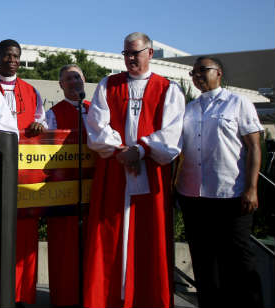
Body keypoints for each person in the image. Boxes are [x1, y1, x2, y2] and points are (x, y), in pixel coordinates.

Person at [84, 32, 184, 307]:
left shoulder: (167, 89)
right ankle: (108, 297)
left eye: (135, 53)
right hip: (115, 171)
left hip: (151, 170)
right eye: (126, 53)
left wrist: (140, 149)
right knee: (110, 235)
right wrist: (120, 150)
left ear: (150, 54)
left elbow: (173, 132)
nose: (130, 59)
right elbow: (96, 126)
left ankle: (147, 297)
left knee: (148, 237)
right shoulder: (108, 84)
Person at [175, 57, 264, 307]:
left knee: (239, 262)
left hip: (231, 197)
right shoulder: (189, 109)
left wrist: (252, 188)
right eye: (194, 72)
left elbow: (254, 147)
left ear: (219, 73)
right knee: (204, 264)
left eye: (203, 70)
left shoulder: (238, 103)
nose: (197, 75)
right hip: (194, 198)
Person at [0, 39, 46, 304]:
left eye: (16, 56)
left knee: (24, 233)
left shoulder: (31, 90)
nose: (12, 60)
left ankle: (21, 294)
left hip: (23, 174)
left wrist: (40, 126)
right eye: (7, 55)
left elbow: (42, 120)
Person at [45, 64, 90, 307]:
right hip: (64, 193)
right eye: (68, 79)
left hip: (92, 194)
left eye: (77, 77)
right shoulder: (53, 114)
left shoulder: (96, 111)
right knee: (64, 250)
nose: (73, 82)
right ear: (61, 85)